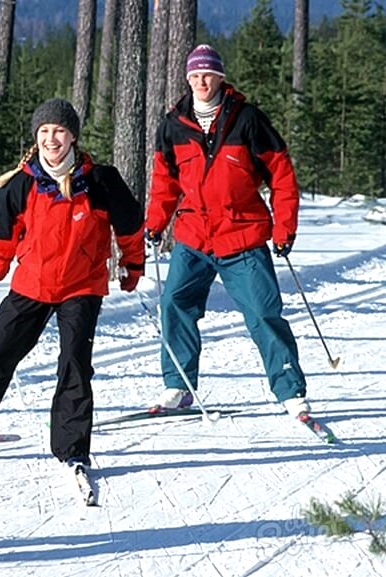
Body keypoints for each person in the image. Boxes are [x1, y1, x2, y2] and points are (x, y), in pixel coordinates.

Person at [0, 98, 145, 469]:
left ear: (72, 135)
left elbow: (130, 226)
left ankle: (73, 449)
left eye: (59, 130)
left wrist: (132, 264)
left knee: (74, 364)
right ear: (36, 136)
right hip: (32, 284)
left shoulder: (101, 181)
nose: (51, 139)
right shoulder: (20, 185)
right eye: (44, 131)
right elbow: (5, 237)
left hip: (82, 286)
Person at [144, 44, 310, 418]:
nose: (202, 81)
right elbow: (165, 182)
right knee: (175, 304)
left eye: (208, 74)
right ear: (188, 79)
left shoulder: (247, 119)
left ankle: (290, 391)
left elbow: (281, 176)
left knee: (264, 312)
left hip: (242, 236)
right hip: (193, 236)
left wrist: (284, 228)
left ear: (220, 77)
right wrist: (155, 223)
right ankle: (179, 386)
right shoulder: (173, 124)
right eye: (195, 75)